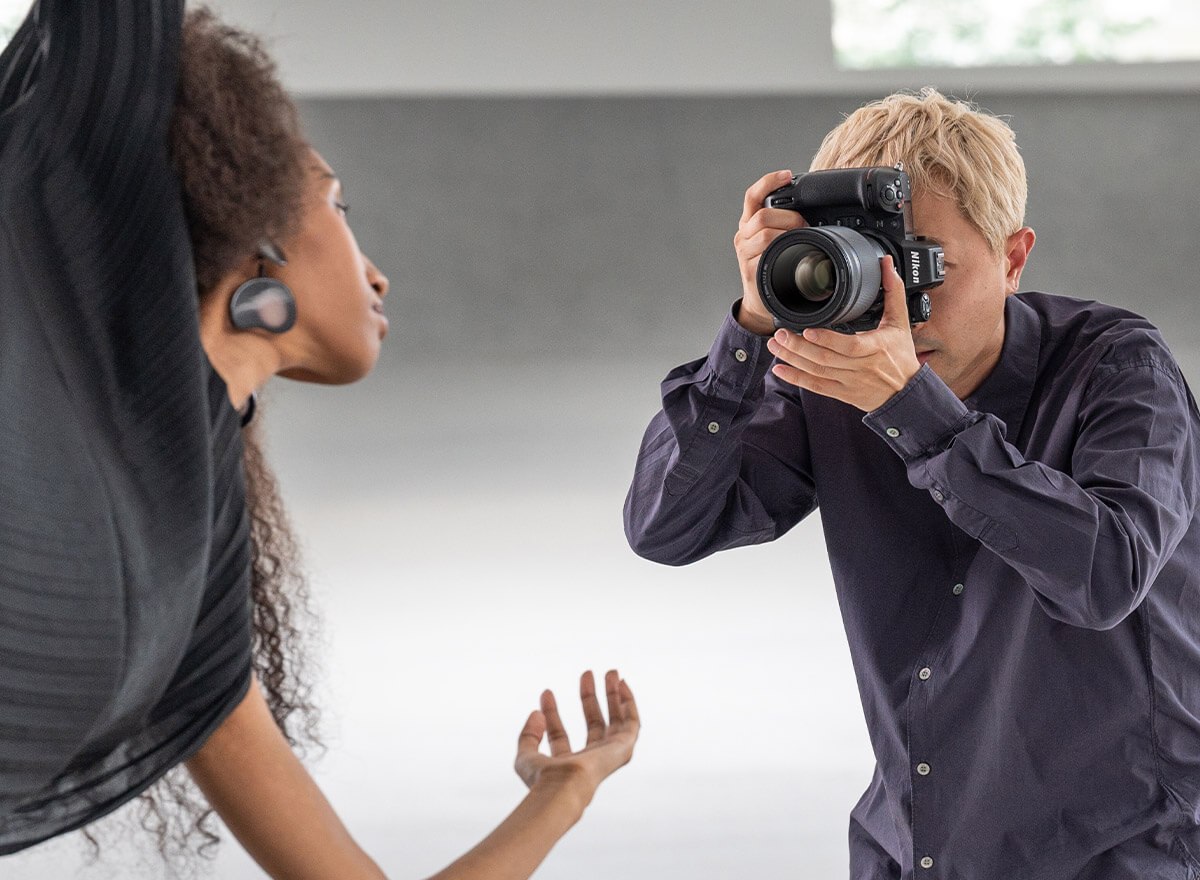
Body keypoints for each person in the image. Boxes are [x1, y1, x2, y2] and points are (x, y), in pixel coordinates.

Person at [0, 2, 638, 877]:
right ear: (248, 216)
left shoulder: (196, 563)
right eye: (339, 206)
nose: (377, 270)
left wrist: (563, 790)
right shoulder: (57, 338)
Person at [624, 88, 1200, 878]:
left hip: (1120, 845)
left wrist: (913, 411)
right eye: (870, 270)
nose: (902, 308)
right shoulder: (830, 377)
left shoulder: (1117, 365)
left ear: (1014, 256)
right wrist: (754, 325)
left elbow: (1105, 575)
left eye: (926, 266)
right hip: (918, 841)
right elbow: (667, 527)